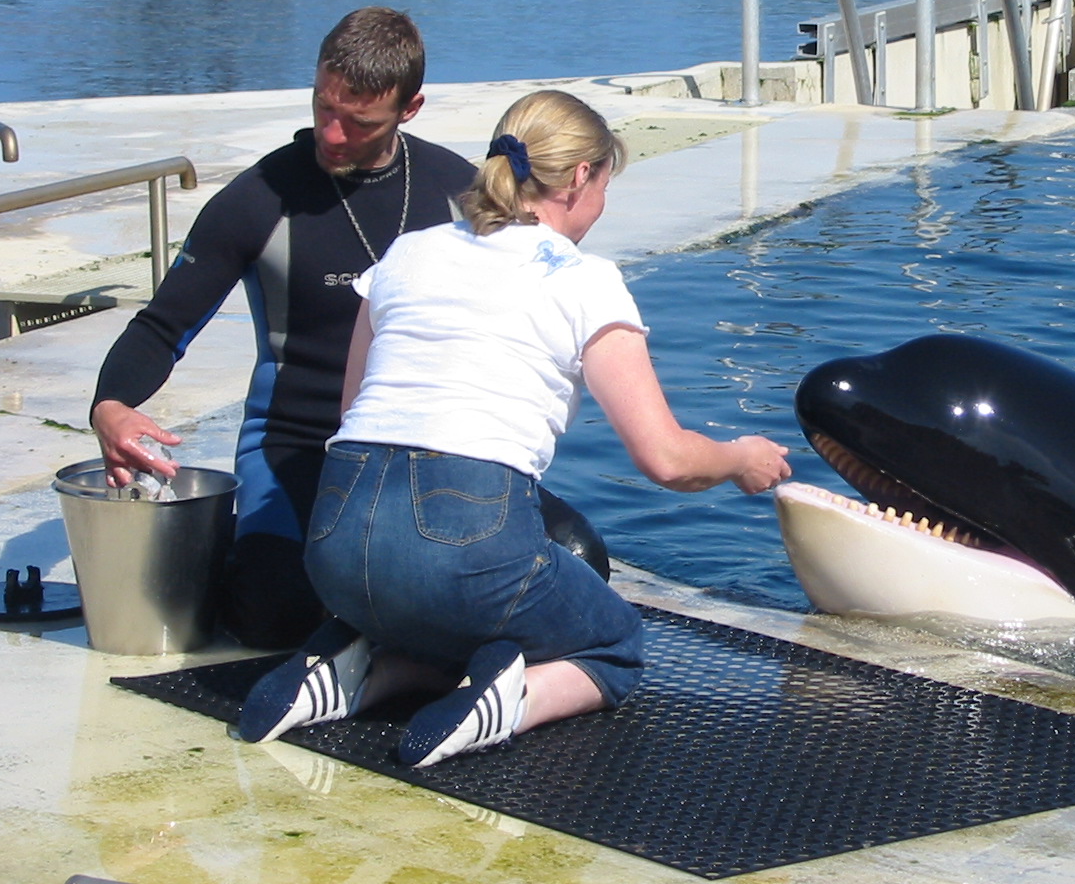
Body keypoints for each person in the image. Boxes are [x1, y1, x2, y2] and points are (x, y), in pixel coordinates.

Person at [236, 89, 792, 768]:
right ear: (581, 177)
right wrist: (739, 458)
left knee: (450, 614)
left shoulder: (408, 254)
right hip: (461, 541)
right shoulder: (586, 280)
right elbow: (666, 459)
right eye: (605, 183)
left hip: (333, 543)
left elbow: (354, 414)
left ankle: (355, 676)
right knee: (612, 644)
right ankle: (505, 703)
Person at [90, 8, 479, 650]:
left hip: (428, 447)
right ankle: (244, 547)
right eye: (324, 107)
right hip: (297, 444)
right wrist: (110, 405)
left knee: (572, 556)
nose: (331, 134)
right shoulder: (258, 198)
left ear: (410, 109)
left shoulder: (458, 192)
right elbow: (163, 326)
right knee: (277, 615)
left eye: (359, 123)